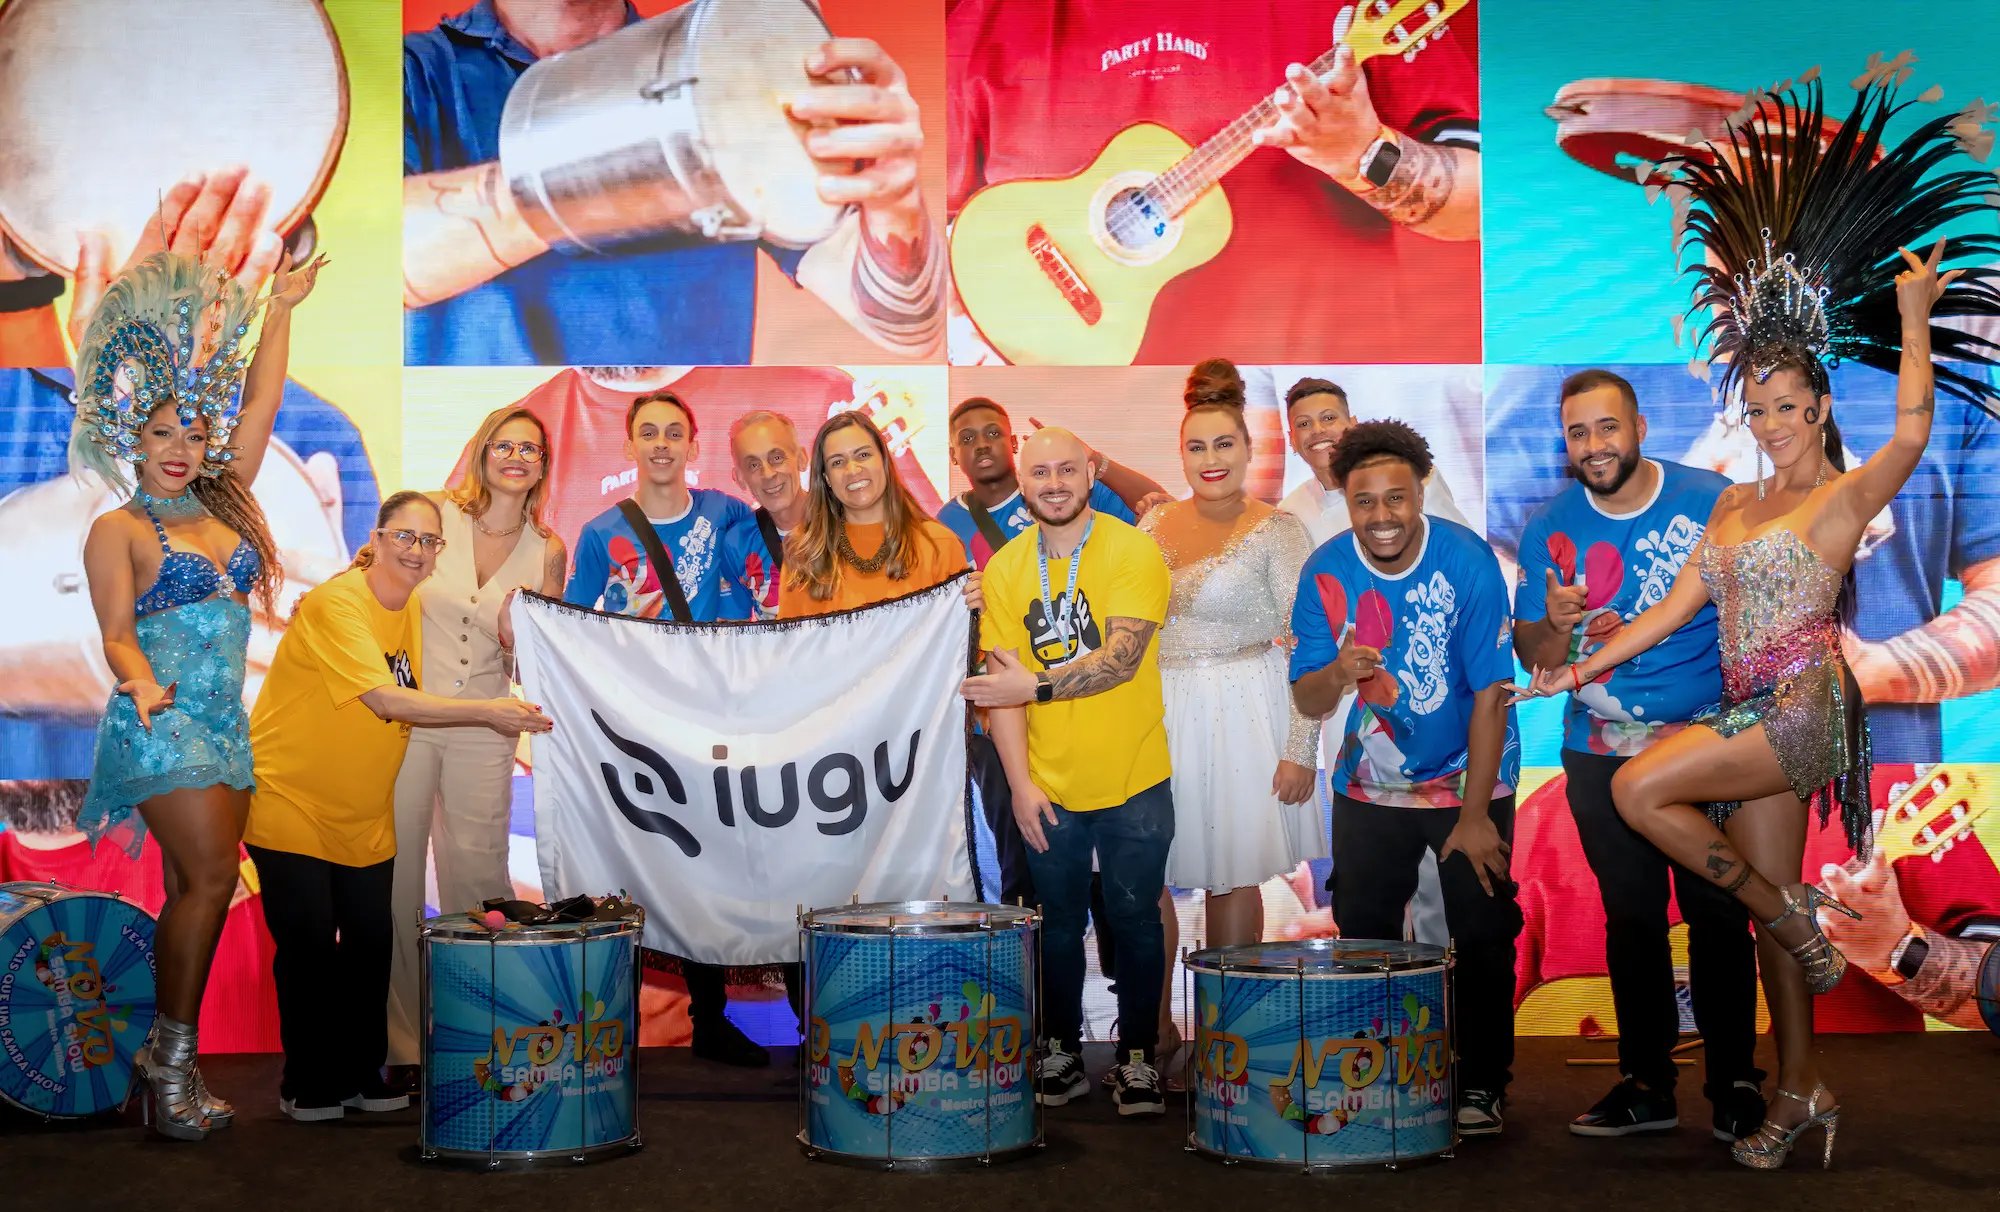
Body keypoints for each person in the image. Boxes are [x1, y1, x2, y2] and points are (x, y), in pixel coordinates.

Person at [1521, 70, 2000, 1170]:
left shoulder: (1842, 497)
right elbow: (1667, 610)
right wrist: (1571, 670)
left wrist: (1914, 319)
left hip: (1805, 712)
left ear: (1819, 408)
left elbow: (1912, 429)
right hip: (1748, 715)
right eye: (1760, 406)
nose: (1773, 420)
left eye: (1790, 405)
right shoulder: (1732, 505)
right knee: (1775, 900)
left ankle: (1788, 929)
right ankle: (1800, 1088)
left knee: (1640, 790)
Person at [69, 242, 321, 1140]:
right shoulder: (118, 529)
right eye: (162, 434)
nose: (181, 450)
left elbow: (263, 403)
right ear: (132, 440)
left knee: (193, 887)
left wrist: (279, 308)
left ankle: (166, 1060)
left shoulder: (223, 504)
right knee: (212, 880)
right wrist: (138, 682)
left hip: (222, 726)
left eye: (193, 435)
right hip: (159, 722)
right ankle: (170, 1069)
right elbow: (114, 631)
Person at [403, 0, 943, 365]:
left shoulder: (725, 61)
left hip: (692, 421)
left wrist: (893, 198)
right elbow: (388, 258)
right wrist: (668, 135)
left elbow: (909, 327)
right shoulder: (409, 71)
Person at [947, 0, 1481, 365]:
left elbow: (1482, 200)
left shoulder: (1356, 15)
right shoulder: (987, 21)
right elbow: (914, 239)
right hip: (1095, 410)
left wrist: (1361, 153)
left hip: (1305, 395)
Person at [1511, 368, 1763, 1140]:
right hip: (1599, 750)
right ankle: (1648, 1082)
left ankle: (1735, 1083)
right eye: (1577, 432)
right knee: (1631, 916)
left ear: (1641, 428)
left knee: (1720, 910)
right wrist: (1555, 623)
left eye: (1607, 427)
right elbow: (1534, 656)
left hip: (1708, 744)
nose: (1593, 444)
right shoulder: (1550, 525)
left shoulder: (1711, 499)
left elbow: (1756, 616)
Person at [244, 491, 551, 1122]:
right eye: (404, 537)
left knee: (370, 944)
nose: (416, 550)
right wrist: (488, 712)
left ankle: (361, 1074)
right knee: (308, 948)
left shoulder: (411, 605)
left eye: (429, 541)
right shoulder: (338, 603)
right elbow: (386, 700)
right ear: (376, 539)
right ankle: (307, 1082)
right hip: (293, 800)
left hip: (362, 812)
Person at [1289, 419, 1522, 1137]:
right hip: (1369, 786)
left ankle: (1481, 1081)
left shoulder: (1468, 560)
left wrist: (1475, 816)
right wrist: (1340, 670)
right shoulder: (1325, 570)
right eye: (1365, 501)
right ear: (1345, 501)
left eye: (1396, 497)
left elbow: (1491, 693)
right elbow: (1308, 698)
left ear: (1420, 492)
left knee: (1481, 933)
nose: (1381, 515)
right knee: (1365, 936)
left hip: (1470, 780)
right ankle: (1378, 1073)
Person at [961, 427, 1174, 1117]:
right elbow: (1001, 693)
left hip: (1134, 774)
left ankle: (1138, 1056)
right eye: (1040, 472)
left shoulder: (1132, 549)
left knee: (1135, 918)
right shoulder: (1005, 568)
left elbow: (1122, 660)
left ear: (1090, 474)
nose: (1053, 483)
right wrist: (1021, 785)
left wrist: (1036, 686)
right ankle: (1060, 1050)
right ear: (1022, 483)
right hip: (1047, 784)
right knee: (1053, 924)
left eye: (1066, 469)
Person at [564, 389, 769, 1065]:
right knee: (644, 869)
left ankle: (714, 1019)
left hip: (721, 723)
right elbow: (574, 630)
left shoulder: (727, 514)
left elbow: (770, 594)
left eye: (673, 432)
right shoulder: (601, 534)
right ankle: (609, 1026)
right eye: (648, 432)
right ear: (629, 445)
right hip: (640, 732)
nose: (661, 444)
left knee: (719, 866)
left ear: (692, 445)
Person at [384, 407, 568, 1084]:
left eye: (530, 449)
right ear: (482, 451)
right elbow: (377, 597)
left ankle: (478, 1037)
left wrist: (521, 643)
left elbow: (539, 661)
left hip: (488, 728)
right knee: (396, 882)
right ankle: (402, 1046)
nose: (516, 457)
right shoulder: (433, 514)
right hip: (406, 721)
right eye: (504, 445)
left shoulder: (549, 550)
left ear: (543, 465)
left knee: (479, 885)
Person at [1142, 360, 1319, 1049]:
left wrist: (1299, 749)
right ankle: (1152, 1034)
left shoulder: (1279, 531)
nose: (1211, 459)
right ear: (1180, 453)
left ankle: (1226, 1044)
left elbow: (1308, 646)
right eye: (1197, 446)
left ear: (1249, 450)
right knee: (1144, 875)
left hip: (1245, 712)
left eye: (1224, 444)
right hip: (1158, 711)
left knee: (1233, 875)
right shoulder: (1153, 524)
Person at [938, 394, 1167, 909]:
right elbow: (952, 622)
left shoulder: (1103, 520)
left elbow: (1158, 510)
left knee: (1130, 910)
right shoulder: (951, 527)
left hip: (1122, 748)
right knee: (1042, 901)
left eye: (992, 432)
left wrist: (1099, 461)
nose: (982, 445)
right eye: (967, 439)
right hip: (1024, 746)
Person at [1280, 373, 1470, 946]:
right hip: (1346, 702)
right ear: (1291, 439)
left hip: (1429, 686)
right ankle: (1381, 990)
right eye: (1304, 424)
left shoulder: (1412, 482)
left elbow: (1461, 561)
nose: (1319, 431)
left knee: (1438, 869)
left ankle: (1440, 984)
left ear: (1352, 421)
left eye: (1329, 418)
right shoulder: (1290, 514)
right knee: (1369, 872)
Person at [780, 411, 968, 618]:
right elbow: (790, 638)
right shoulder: (803, 556)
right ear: (826, 478)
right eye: (837, 462)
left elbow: (959, 633)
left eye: (863, 455)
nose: (852, 470)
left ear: (884, 461)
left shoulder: (939, 545)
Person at [720, 410, 810, 619]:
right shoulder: (737, 543)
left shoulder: (842, 522)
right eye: (753, 465)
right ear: (739, 478)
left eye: (777, 458)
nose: (768, 474)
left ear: (801, 459)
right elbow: (733, 627)